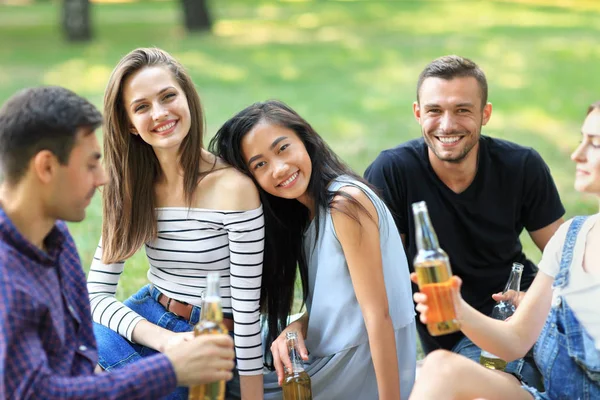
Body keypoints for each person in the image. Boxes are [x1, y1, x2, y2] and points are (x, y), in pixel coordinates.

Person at [0, 86, 236, 399]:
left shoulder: (55, 237)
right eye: (90, 164)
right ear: (46, 167)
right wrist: (169, 369)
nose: (103, 178)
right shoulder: (8, 280)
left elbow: (81, 358)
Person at [364, 55, 564, 388]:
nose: (447, 125)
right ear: (418, 113)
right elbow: (369, 277)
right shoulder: (393, 172)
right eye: (434, 111)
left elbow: (566, 260)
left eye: (462, 110)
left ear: (485, 114)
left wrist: (536, 300)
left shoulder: (521, 165)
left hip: (518, 314)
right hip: (452, 332)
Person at [87, 48, 264, 399]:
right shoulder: (132, 186)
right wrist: (164, 340)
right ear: (129, 124)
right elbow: (94, 295)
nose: (160, 113)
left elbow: (246, 312)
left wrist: (252, 394)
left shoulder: (233, 189)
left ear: (188, 98)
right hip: (148, 320)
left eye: (168, 96)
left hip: (210, 333)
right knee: (57, 354)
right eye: (141, 107)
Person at [210, 100, 417, 400]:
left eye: (283, 148)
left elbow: (378, 316)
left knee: (217, 379)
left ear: (305, 140)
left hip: (353, 373)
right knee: (224, 348)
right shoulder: (308, 215)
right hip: (336, 358)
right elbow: (343, 302)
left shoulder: (345, 204)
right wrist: (298, 325)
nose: (279, 169)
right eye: (260, 164)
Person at [408, 101, 600, 400]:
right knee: (440, 367)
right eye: (581, 141)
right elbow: (514, 342)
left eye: (595, 144)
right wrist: (457, 309)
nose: (577, 155)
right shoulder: (571, 237)